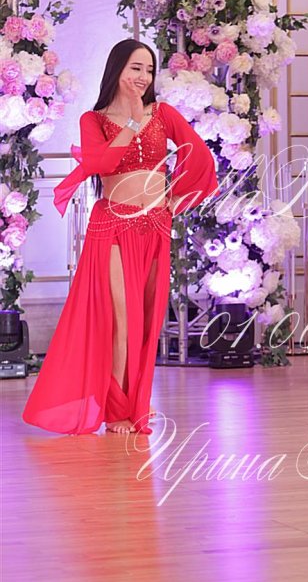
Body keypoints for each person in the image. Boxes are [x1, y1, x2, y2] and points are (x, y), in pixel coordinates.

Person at [23, 39, 218, 435]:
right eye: (135, 68)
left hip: (155, 226)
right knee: (122, 319)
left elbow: (199, 156)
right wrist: (131, 121)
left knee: (146, 321)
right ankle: (115, 410)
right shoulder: (94, 120)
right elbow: (103, 163)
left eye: (149, 70)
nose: (143, 77)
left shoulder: (163, 113)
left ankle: (135, 403)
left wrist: (176, 200)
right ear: (117, 70)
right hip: (113, 225)